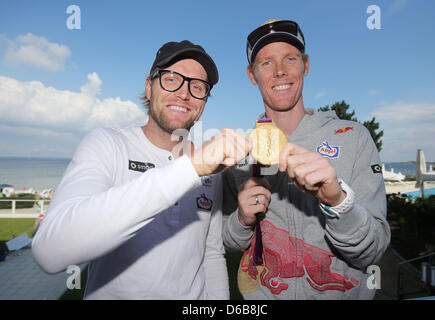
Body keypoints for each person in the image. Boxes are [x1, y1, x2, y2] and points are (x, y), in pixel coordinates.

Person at [32, 40, 250, 299]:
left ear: (204, 101)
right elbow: (50, 252)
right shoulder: (107, 144)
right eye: (171, 79)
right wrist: (192, 167)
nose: (184, 93)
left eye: (198, 86)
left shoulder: (210, 169)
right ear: (149, 87)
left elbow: (211, 253)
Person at [222, 20, 391, 299]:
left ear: (306, 65)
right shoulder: (241, 154)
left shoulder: (354, 138)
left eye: (290, 58)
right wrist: (242, 218)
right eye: (266, 63)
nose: (280, 71)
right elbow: (229, 241)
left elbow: (372, 251)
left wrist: (338, 203)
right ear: (252, 74)